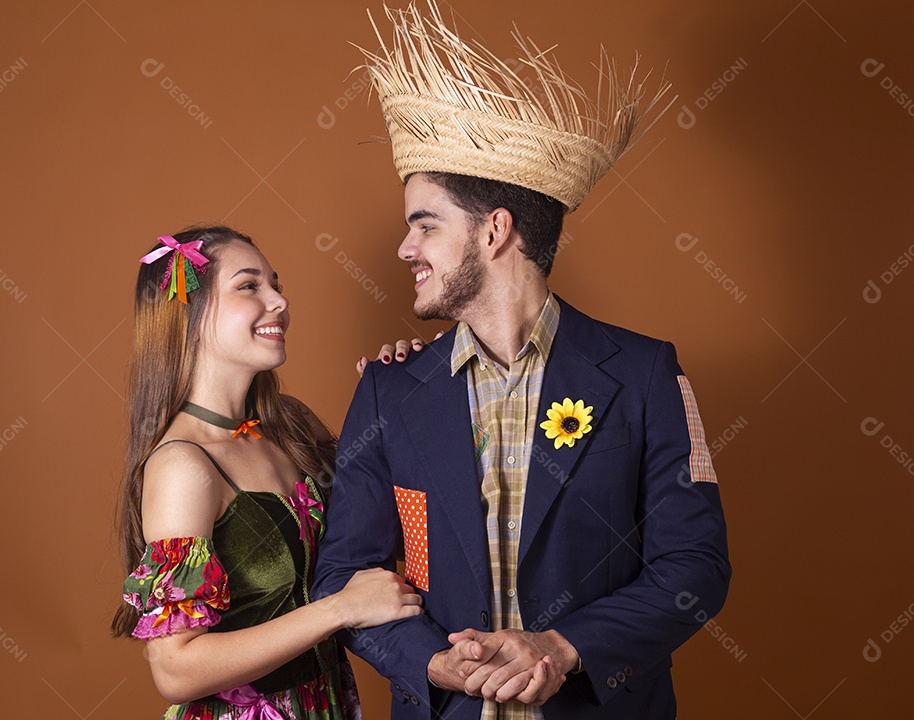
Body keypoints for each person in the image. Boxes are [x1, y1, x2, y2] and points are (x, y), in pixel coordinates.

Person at [311, 3, 731, 719]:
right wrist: (432, 663)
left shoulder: (645, 375)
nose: (407, 249)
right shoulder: (388, 389)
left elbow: (694, 567)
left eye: (426, 224)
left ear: (494, 232)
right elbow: (343, 575)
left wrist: (564, 646)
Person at [112, 226, 424, 720]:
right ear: (190, 315)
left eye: (275, 284)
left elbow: (387, 529)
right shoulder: (183, 465)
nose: (278, 300)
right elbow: (175, 670)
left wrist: (400, 400)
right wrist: (339, 609)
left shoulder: (288, 424)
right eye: (249, 286)